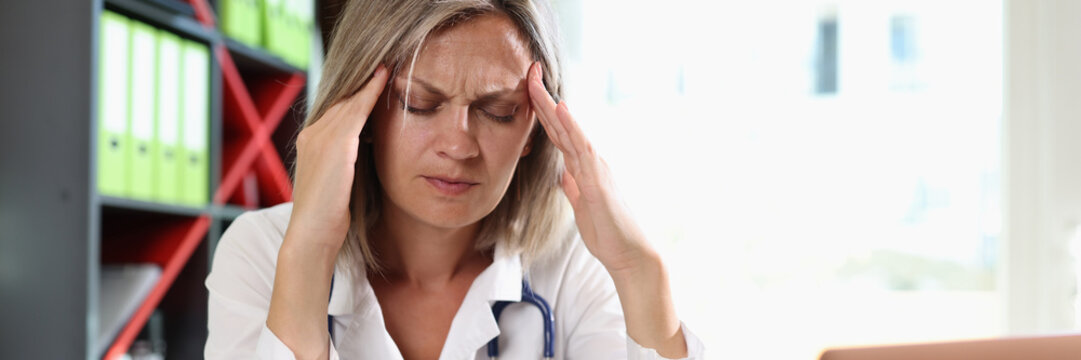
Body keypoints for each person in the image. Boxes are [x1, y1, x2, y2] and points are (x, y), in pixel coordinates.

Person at [205, 0, 706, 359]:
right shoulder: (263, 253)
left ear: (535, 129)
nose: (459, 145)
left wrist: (641, 269)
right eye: (419, 104)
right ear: (360, 113)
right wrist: (311, 251)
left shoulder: (570, 270)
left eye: (498, 111)